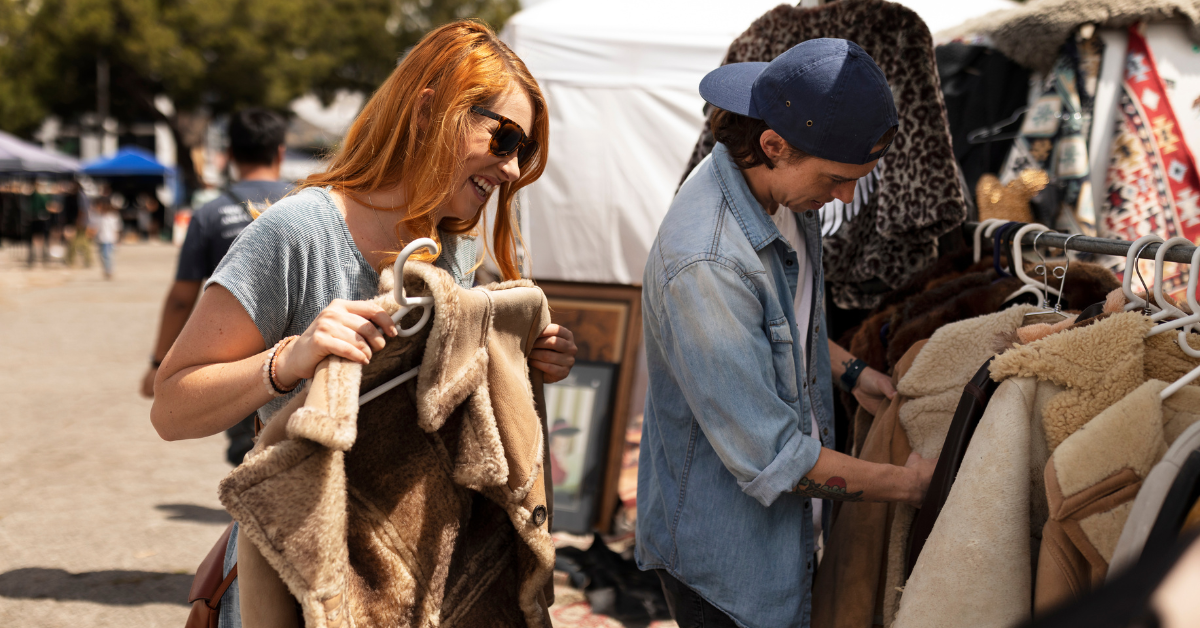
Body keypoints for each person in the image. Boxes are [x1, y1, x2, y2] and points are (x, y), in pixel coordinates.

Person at [150, 20, 576, 626]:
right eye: (504, 138)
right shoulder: (298, 233)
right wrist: (289, 360)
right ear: (429, 110)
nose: (511, 169)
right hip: (301, 586)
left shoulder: (454, 254)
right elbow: (170, 407)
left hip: (415, 590)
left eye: (523, 152)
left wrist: (526, 359)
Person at [636, 40, 937, 628]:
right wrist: (911, 486)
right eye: (836, 178)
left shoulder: (779, 192)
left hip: (777, 542)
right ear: (772, 145)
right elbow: (776, 461)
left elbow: (780, 321)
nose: (845, 197)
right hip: (729, 567)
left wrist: (852, 372)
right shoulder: (708, 263)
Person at [141, 108, 292, 467]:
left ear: (231, 156)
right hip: (300, 354)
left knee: (250, 458)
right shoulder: (308, 204)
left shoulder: (210, 214)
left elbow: (182, 298)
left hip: (235, 361)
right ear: (281, 152)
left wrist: (159, 363)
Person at [92, 196, 121, 279]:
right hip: (100, 239)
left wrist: (117, 240)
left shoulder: (112, 216)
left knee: (106, 255)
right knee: (101, 256)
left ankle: (109, 271)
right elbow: (94, 228)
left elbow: (117, 229)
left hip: (109, 239)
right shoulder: (97, 216)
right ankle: (106, 270)